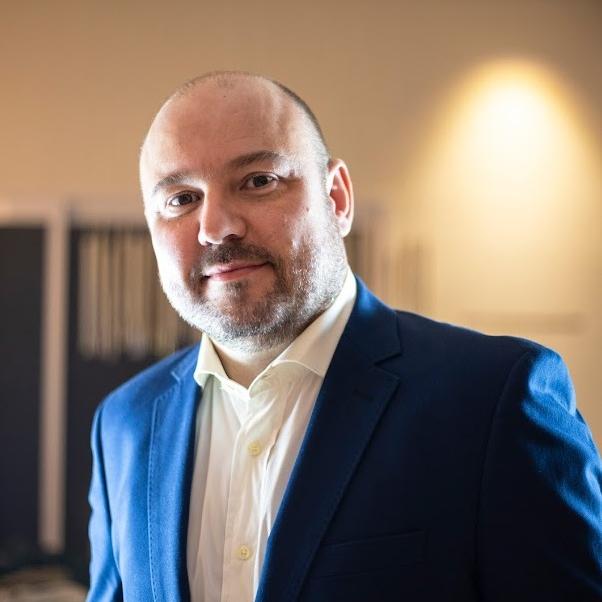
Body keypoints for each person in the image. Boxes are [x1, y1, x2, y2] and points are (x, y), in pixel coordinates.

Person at [87, 71, 602, 602]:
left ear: (337, 198)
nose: (216, 226)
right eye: (180, 199)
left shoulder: (491, 400)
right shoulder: (124, 425)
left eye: (258, 180)